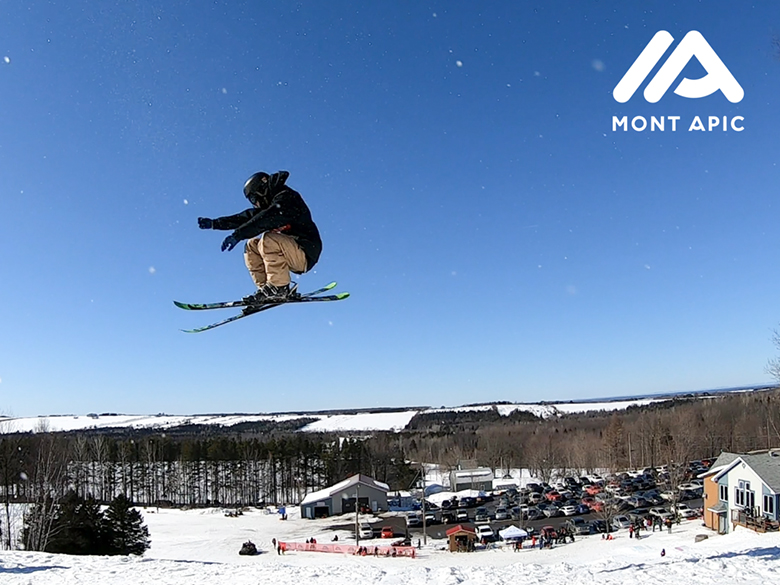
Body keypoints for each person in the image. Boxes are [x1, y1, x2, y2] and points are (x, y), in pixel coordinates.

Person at [198, 170, 322, 303]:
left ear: (261, 190)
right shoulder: (270, 205)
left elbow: (267, 218)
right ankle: (267, 289)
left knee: (269, 238)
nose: (255, 204)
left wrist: (238, 234)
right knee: (252, 245)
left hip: (306, 251)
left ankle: (279, 287)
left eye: (253, 199)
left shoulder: (286, 199)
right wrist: (214, 224)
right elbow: (246, 218)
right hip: (290, 250)